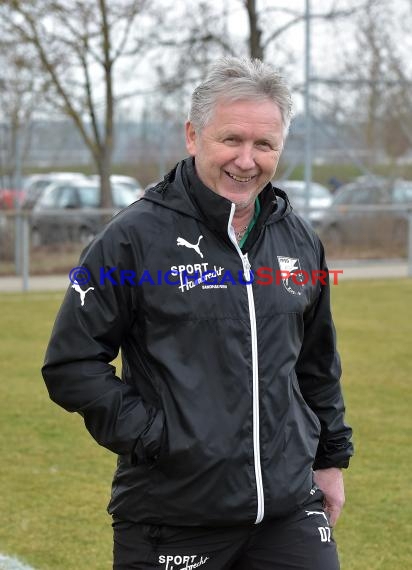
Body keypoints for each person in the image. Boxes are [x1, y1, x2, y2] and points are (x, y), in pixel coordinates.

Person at [42, 56, 354, 570]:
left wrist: (330, 460)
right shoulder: (133, 239)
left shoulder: (297, 239)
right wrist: (161, 438)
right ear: (193, 135)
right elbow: (71, 364)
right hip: (174, 515)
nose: (247, 160)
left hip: (288, 509)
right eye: (231, 139)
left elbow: (316, 363)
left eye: (264, 145)